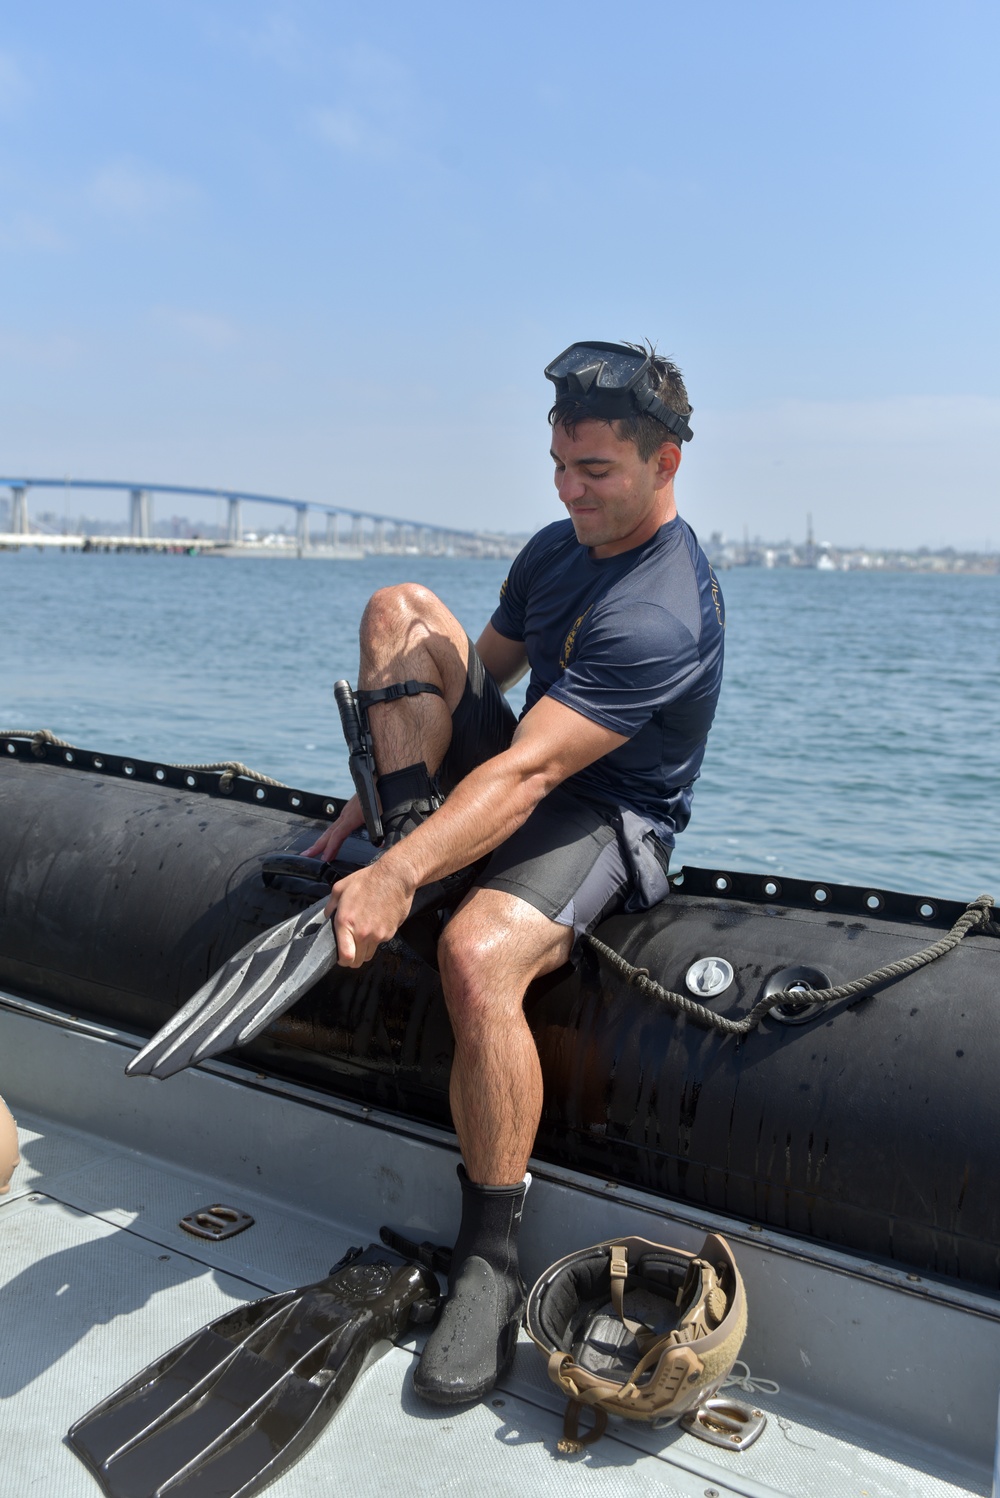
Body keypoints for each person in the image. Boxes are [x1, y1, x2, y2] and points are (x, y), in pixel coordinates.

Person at [303, 340, 725, 1406]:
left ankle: (487, 1254)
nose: (568, 489)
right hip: (515, 769)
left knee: (473, 954)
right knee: (400, 607)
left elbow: (534, 767)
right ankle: (422, 847)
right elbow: (475, 674)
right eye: (557, 463)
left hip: (603, 810)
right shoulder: (553, 549)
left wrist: (396, 874)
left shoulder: (662, 605)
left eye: (595, 472)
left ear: (664, 463)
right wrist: (381, 784)